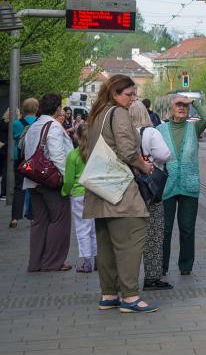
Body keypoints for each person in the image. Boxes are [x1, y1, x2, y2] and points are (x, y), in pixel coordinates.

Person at [81, 74, 158, 314]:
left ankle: (109, 294)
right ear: (115, 93)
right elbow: (127, 150)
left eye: (134, 94)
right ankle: (131, 297)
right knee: (130, 242)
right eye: (129, 94)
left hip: (99, 190)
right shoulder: (118, 113)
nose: (133, 99)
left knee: (106, 246)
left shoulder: (97, 115)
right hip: (120, 191)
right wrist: (144, 166)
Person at [22, 93, 74, 272]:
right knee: (59, 219)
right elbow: (58, 155)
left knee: (39, 222)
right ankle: (53, 262)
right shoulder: (53, 126)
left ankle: (35, 262)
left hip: (33, 180)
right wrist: (68, 179)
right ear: (58, 108)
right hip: (51, 181)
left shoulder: (34, 125)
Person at [159, 95, 206, 277]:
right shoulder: (160, 130)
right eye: (178, 105)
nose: (181, 108)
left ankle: (186, 265)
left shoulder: (193, 127)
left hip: (189, 185)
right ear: (171, 108)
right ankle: (161, 266)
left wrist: (192, 101)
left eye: (184, 106)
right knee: (165, 229)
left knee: (187, 228)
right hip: (167, 186)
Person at [129, 100, 173, 290]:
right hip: (150, 188)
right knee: (154, 232)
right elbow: (165, 154)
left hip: (129, 189)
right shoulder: (151, 132)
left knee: (130, 235)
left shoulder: (124, 134)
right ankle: (152, 277)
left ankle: (128, 278)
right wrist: (151, 161)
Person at [62, 123, 96, 273]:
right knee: (95, 229)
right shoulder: (96, 153)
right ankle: (98, 260)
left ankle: (87, 262)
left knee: (83, 229)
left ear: (78, 137)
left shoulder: (73, 155)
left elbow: (68, 180)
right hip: (95, 194)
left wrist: (64, 192)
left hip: (79, 195)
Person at [9, 98, 39, 228]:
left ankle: (15, 218)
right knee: (32, 186)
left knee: (18, 187)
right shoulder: (38, 123)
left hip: (19, 159)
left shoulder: (16, 123)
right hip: (32, 158)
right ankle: (32, 217)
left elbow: (15, 138)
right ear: (36, 109)